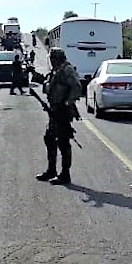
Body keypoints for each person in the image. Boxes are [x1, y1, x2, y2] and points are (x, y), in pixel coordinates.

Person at [36, 48, 83, 185]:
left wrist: (68, 102)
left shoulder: (67, 69)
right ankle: (51, 170)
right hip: (54, 110)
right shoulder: (56, 70)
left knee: (63, 142)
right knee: (49, 138)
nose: (51, 61)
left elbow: (77, 86)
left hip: (63, 111)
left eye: (52, 58)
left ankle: (65, 174)